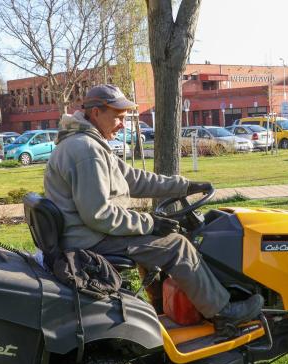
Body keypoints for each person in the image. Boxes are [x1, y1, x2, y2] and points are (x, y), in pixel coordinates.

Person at [45, 84, 262, 325]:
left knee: (162, 238)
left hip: (85, 235)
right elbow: (99, 214)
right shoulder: (86, 150)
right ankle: (222, 312)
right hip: (90, 240)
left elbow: (134, 179)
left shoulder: (88, 143)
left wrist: (183, 186)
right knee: (177, 245)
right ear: (96, 113)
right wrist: (150, 223)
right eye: (118, 118)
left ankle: (162, 308)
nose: (122, 124)